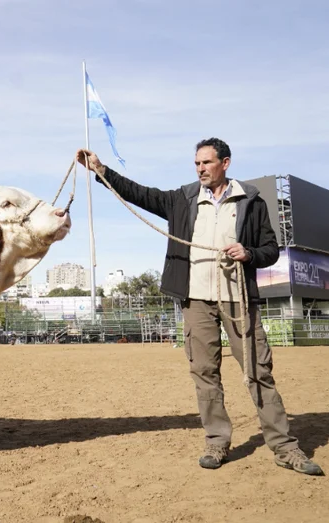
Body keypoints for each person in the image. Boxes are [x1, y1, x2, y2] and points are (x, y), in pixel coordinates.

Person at [77, 138, 323, 475]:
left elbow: (270, 249)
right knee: (205, 374)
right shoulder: (183, 199)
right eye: (197, 163)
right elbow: (141, 193)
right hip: (195, 300)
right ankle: (216, 442)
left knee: (258, 372)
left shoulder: (250, 201)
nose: (200, 169)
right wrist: (102, 171)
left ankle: (284, 448)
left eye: (206, 163)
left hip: (239, 301)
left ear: (225, 163)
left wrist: (248, 253)